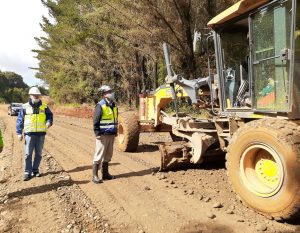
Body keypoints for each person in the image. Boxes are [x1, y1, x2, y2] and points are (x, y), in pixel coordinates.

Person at [16, 86, 53, 181]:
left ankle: (35, 170)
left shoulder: (44, 106)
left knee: (39, 154)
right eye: (34, 95)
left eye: (37, 95)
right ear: (30, 96)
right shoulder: (24, 106)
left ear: (39, 96)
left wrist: (49, 122)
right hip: (29, 134)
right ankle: (27, 172)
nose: (36, 96)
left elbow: (49, 116)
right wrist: (19, 132)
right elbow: (20, 120)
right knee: (28, 154)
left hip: (41, 134)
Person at [92, 85, 118, 184]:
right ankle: (95, 175)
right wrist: (97, 133)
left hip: (111, 133)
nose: (111, 93)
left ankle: (105, 174)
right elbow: (96, 120)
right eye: (109, 91)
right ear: (104, 94)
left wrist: (115, 131)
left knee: (108, 155)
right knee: (99, 155)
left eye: (111, 91)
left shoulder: (113, 105)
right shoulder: (100, 105)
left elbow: (115, 119)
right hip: (102, 134)